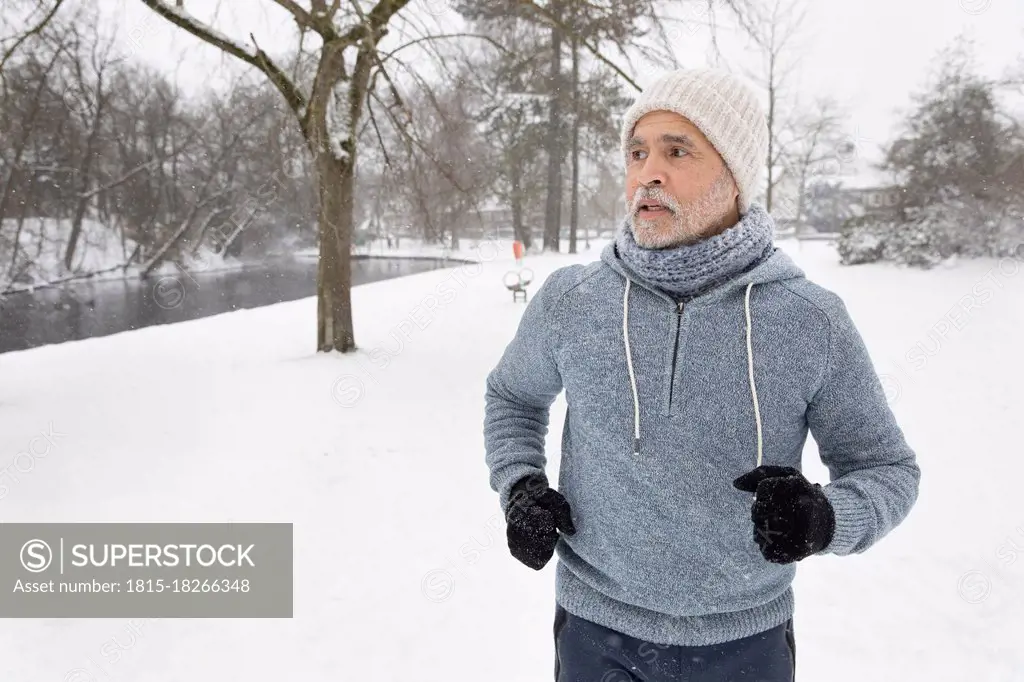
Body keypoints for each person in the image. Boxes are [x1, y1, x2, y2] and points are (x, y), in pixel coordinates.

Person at [482, 68, 921, 682]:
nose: (647, 174)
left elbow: (886, 471)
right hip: (594, 632)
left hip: (745, 641)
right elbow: (512, 396)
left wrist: (824, 518)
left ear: (734, 175)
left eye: (676, 150)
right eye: (637, 153)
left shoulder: (809, 320)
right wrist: (520, 484)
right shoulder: (572, 300)